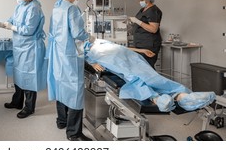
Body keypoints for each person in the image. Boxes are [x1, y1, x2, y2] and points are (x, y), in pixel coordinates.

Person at [86, 39, 216, 112]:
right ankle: (157, 99)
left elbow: (123, 48)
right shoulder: (89, 51)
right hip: (114, 61)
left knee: (153, 76)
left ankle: (184, 96)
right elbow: (82, 57)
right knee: (133, 77)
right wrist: (92, 63)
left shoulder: (100, 41)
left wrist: (140, 50)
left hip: (130, 57)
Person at [47, 0, 95, 141]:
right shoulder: (72, 9)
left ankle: (62, 121)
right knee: (75, 91)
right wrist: (89, 37)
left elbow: (53, 31)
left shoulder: (57, 6)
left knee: (61, 85)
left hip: (58, 54)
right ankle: (74, 133)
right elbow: (77, 32)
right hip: (69, 56)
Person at [0, 0, 47, 119]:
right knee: (18, 74)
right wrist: (3, 24)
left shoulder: (34, 8)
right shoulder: (20, 6)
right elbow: (12, 20)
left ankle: (29, 107)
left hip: (30, 48)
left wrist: (11, 27)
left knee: (29, 76)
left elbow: (28, 30)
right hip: (19, 46)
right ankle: (17, 102)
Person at [129, 0, 162, 69]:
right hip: (140, 44)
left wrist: (137, 21)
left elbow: (154, 29)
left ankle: (152, 81)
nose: (140, 2)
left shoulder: (154, 11)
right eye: (139, 1)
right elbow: (141, 23)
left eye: (141, 0)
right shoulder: (143, 10)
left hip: (149, 44)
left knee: (147, 68)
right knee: (140, 67)